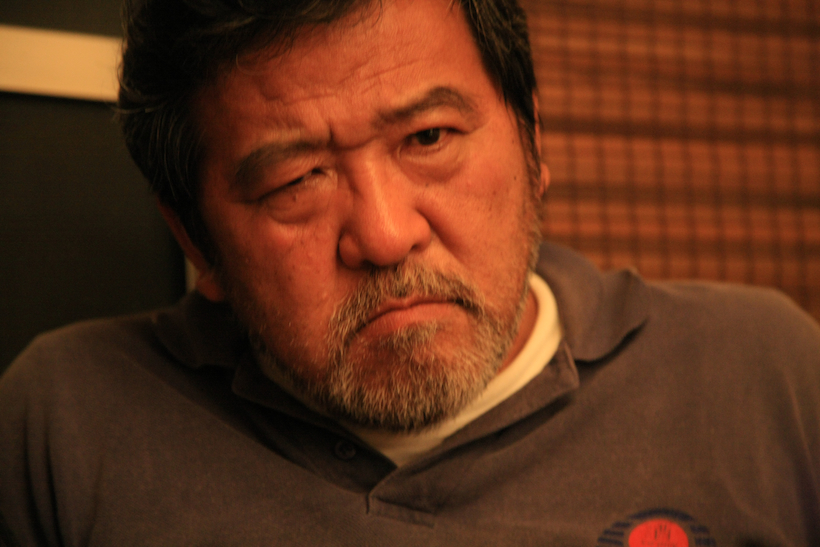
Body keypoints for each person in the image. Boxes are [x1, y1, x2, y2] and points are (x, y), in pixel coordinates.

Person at [1, 0, 818, 545]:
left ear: (533, 141)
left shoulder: (765, 376)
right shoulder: (65, 429)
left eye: (428, 138)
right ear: (195, 239)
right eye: (296, 180)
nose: (386, 235)